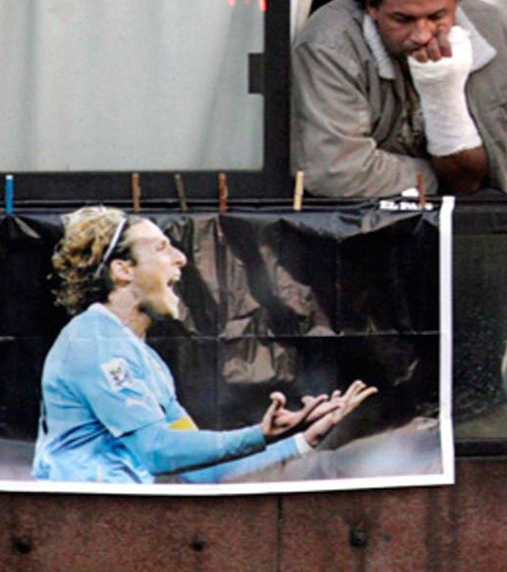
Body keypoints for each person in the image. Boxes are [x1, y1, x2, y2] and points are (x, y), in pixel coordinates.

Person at [33, 206, 375, 484]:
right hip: (79, 526)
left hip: (116, 526)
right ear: (123, 270)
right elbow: (157, 451)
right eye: (161, 248)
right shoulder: (94, 343)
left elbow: (204, 472)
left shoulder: (143, 358)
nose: (181, 258)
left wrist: (302, 439)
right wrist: (260, 434)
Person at [291, 0, 507, 198]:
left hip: (490, 223)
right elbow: (336, 171)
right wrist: (442, 175)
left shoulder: (494, 33)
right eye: (403, 20)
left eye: (438, 16)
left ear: (456, 3)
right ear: (372, 6)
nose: (422, 35)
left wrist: (442, 94)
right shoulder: (330, 45)